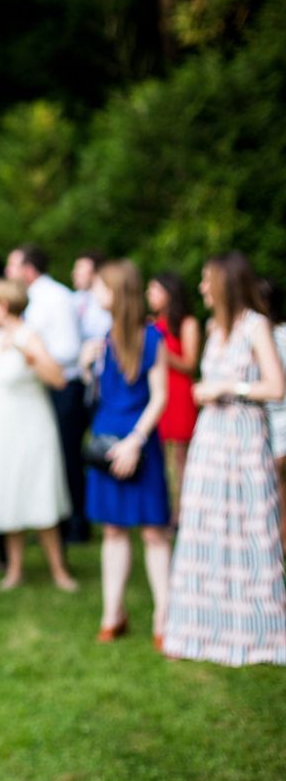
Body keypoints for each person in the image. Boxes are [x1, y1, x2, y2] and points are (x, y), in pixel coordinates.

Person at [163, 252, 286, 666]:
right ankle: (199, 627)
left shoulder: (255, 325)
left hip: (245, 438)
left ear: (224, 283)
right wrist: (205, 390)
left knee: (249, 527)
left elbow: (276, 387)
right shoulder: (214, 328)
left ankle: (254, 629)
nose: (201, 287)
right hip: (211, 438)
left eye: (206, 279)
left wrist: (229, 388)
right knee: (204, 525)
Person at [0, 279, 78, 592]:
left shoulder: (29, 336)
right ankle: (14, 569)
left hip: (30, 427)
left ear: (4, 305)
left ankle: (59, 570)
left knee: (39, 493)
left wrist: (29, 355)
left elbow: (58, 378)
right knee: (8, 494)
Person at [81, 260, 171, 645]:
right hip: (106, 438)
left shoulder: (151, 339)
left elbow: (160, 396)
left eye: (101, 287)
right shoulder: (103, 338)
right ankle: (112, 613)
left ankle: (164, 618)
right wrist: (87, 367)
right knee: (113, 529)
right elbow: (100, 392)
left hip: (139, 439)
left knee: (153, 531)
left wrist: (135, 441)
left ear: (118, 293)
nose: (95, 293)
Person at [7, 245, 88, 543]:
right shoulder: (33, 298)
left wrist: (36, 354)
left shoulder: (55, 297)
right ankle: (52, 521)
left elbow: (70, 348)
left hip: (64, 386)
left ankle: (76, 525)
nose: (8, 272)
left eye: (13, 266)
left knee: (66, 455)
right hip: (41, 385)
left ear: (29, 271)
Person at [147, 272, 200, 522]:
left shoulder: (188, 323)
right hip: (158, 392)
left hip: (179, 394)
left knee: (180, 457)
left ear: (169, 293)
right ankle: (164, 510)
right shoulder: (152, 324)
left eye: (154, 289)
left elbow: (190, 364)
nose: (149, 295)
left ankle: (182, 514)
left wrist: (162, 352)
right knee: (160, 456)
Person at [265, 280, 286, 550]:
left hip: (279, 418)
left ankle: (279, 541)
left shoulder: (280, 335)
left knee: (275, 482)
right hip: (262, 418)